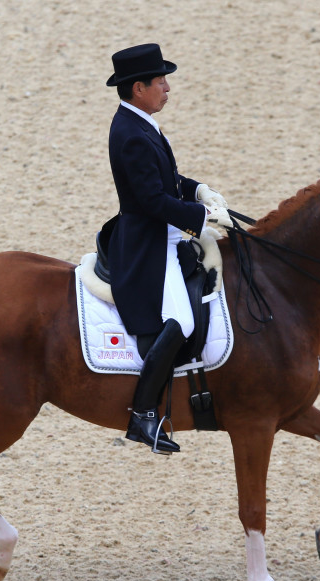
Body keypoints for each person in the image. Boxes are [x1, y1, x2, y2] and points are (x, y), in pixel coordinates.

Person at [105, 43, 233, 454]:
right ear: (138, 87)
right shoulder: (131, 134)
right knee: (183, 319)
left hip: (166, 233)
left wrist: (198, 189)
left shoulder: (142, 123)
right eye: (161, 81)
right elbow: (151, 202)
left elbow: (168, 181)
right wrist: (202, 217)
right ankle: (143, 415)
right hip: (150, 243)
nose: (167, 88)